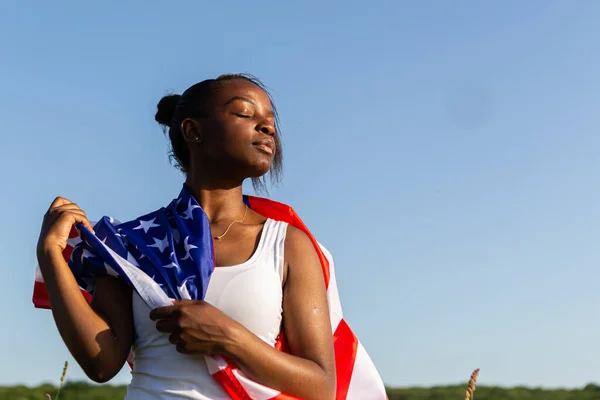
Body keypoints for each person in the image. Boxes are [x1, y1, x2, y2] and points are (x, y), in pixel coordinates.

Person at [36, 74, 336, 400]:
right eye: (245, 114)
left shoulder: (286, 245)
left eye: (270, 120)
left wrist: (228, 336)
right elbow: (102, 365)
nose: (268, 127)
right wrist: (51, 256)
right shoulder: (134, 243)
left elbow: (321, 386)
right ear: (193, 131)